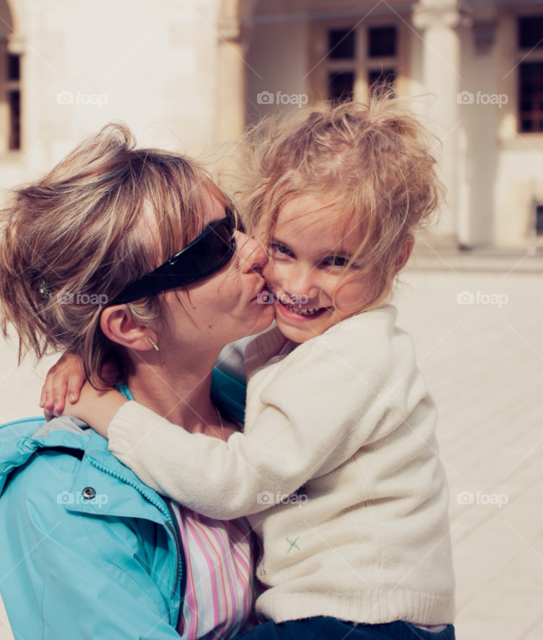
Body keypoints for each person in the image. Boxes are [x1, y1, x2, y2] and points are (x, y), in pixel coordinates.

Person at [42, 100, 456, 639]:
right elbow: (212, 363)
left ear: (395, 258)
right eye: (283, 249)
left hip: (362, 618)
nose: (298, 285)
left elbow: (237, 482)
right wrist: (91, 348)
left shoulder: (353, 356)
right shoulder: (301, 338)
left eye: (336, 261)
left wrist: (109, 411)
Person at [0, 123, 274, 639]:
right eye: (212, 248)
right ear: (130, 324)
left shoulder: (262, 399)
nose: (255, 249)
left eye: (236, 224)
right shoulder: (58, 500)